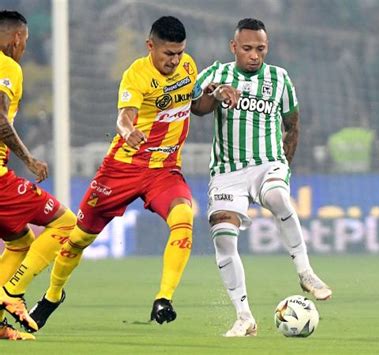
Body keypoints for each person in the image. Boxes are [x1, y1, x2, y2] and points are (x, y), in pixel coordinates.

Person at [27, 16, 238, 331]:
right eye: (168, 54)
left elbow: (197, 105)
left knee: (183, 218)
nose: (175, 60)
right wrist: (128, 132)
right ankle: (52, 296)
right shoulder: (136, 75)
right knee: (78, 240)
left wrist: (217, 94)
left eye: (180, 53)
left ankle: (163, 298)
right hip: (122, 169)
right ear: (150, 46)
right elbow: (124, 118)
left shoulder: (188, 67)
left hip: (165, 170)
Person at [194, 18, 332, 337]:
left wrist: (285, 165)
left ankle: (306, 272)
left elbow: (293, 123)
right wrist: (215, 93)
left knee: (278, 197)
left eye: (261, 49)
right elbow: (197, 108)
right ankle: (244, 317)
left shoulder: (279, 78)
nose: (254, 55)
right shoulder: (217, 73)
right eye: (247, 49)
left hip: (267, 163)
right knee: (224, 238)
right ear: (233, 47)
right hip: (228, 170)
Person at [0, 10, 76, 340]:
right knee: (65, 222)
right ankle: (12, 293)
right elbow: (0, 118)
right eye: (25, 41)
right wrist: (29, 159)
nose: (24, 48)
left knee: (21, 241)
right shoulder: (8, 67)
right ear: (16, 38)